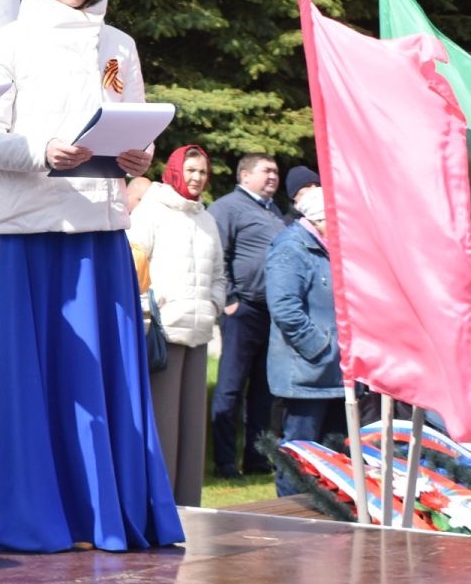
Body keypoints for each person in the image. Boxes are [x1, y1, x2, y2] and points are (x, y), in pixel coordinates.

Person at [0, 0, 183, 554]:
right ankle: (36, 515)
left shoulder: (117, 45)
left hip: (100, 229)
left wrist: (139, 157)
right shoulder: (8, 41)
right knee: (35, 380)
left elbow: (132, 125)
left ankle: (104, 512)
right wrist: (42, 152)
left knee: (104, 382)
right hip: (31, 229)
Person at [127, 145, 226, 507]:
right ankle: (158, 505)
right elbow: (133, 264)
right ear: (174, 171)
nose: (197, 178)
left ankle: (188, 503)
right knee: (164, 424)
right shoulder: (152, 212)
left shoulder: (207, 219)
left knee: (191, 427)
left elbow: (218, 273)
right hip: (163, 332)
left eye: (202, 171)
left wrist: (213, 303)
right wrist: (152, 309)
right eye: (191, 170)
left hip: (198, 332)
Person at [206, 153, 287, 476]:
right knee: (230, 387)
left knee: (262, 393)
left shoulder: (273, 210)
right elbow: (217, 253)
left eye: (276, 171)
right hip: (243, 310)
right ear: (245, 175)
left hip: (272, 312)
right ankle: (225, 462)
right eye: (266, 171)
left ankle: (256, 459)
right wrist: (230, 299)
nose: (273, 176)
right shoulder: (227, 207)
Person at [263, 187, 344, 496]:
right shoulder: (290, 248)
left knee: (333, 454)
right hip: (306, 373)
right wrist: (321, 348)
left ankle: (329, 510)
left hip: (335, 373)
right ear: (317, 219)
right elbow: (285, 308)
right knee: (300, 451)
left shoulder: (328, 247)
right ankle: (292, 517)